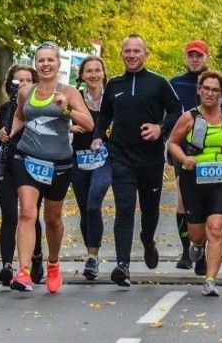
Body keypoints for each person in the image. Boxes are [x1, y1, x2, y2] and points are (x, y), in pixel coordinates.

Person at [91, 34, 182, 287]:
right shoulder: (114, 85)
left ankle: (148, 239)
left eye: (136, 51)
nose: (131, 55)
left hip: (150, 159)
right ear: (121, 54)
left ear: (146, 54)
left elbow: (177, 110)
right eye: (127, 51)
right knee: (124, 209)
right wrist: (98, 137)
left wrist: (160, 128)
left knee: (150, 211)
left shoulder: (158, 83)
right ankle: (123, 265)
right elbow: (104, 116)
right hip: (121, 158)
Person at [9, 42, 94, 293]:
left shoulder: (69, 91)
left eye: (50, 60)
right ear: (35, 65)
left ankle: (53, 263)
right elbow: (19, 115)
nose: (45, 64)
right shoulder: (27, 91)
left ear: (58, 64)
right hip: (27, 158)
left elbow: (88, 123)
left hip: (58, 164)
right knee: (26, 212)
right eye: (41, 60)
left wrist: (66, 109)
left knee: (53, 220)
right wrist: (12, 131)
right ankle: (23, 271)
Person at [167, 70, 222, 297]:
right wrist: (183, 159)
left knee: (216, 228)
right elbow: (173, 143)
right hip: (194, 178)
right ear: (199, 91)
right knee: (197, 233)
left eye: (215, 90)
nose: (210, 93)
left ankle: (210, 280)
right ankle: (198, 246)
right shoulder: (189, 118)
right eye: (207, 89)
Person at [0, 65, 45, 287]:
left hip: (32, 164)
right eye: (17, 81)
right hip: (7, 164)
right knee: (10, 215)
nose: (22, 85)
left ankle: (36, 257)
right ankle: (7, 265)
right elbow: (2, 134)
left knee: (30, 215)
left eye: (27, 80)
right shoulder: (3, 108)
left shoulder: (40, 108)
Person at [168, 40, 210, 274]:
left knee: (206, 201)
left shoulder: (215, 81)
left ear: (207, 57)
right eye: (191, 55)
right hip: (182, 148)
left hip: (211, 149)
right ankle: (187, 251)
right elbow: (168, 114)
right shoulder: (175, 83)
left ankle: (201, 251)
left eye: (199, 56)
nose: (195, 59)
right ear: (185, 57)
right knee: (184, 199)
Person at [71, 56, 111, 280]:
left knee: (94, 203)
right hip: (79, 157)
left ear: (104, 73)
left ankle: (93, 257)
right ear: (82, 75)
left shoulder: (112, 98)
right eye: (89, 71)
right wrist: (70, 127)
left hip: (106, 157)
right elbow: (60, 119)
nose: (94, 75)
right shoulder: (74, 98)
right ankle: (91, 255)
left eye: (97, 70)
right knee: (86, 208)